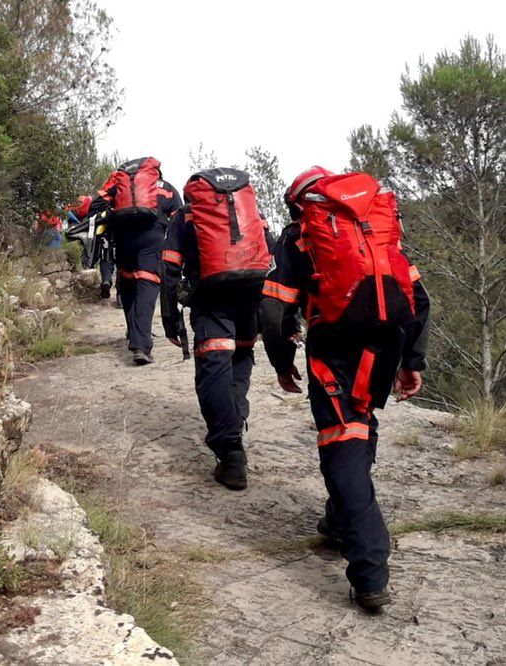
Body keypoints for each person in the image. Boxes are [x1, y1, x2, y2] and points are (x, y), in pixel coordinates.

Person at [260, 166, 431, 612]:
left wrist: (281, 363)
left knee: (342, 446)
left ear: (299, 203)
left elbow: (274, 311)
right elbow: (419, 298)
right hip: (386, 344)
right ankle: (339, 521)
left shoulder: (302, 235)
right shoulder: (375, 227)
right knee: (360, 423)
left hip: (335, 352)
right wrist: (412, 361)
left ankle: (370, 569)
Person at [161, 168, 273, 490]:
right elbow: (272, 254)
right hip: (250, 297)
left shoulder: (186, 216)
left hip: (211, 298)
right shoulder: (250, 211)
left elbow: (168, 266)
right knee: (240, 358)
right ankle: (235, 423)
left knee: (213, 369)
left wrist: (172, 320)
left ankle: (231, 452)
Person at [94, 157, 181, 365]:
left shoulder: (118, 186)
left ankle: (135, 334)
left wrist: (113, 213)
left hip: (124, 238)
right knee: (147, 287)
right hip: (152, 238)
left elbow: (95, 206)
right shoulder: (166, 188)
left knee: (128, 285)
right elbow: (179, 217)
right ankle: (141, 345)